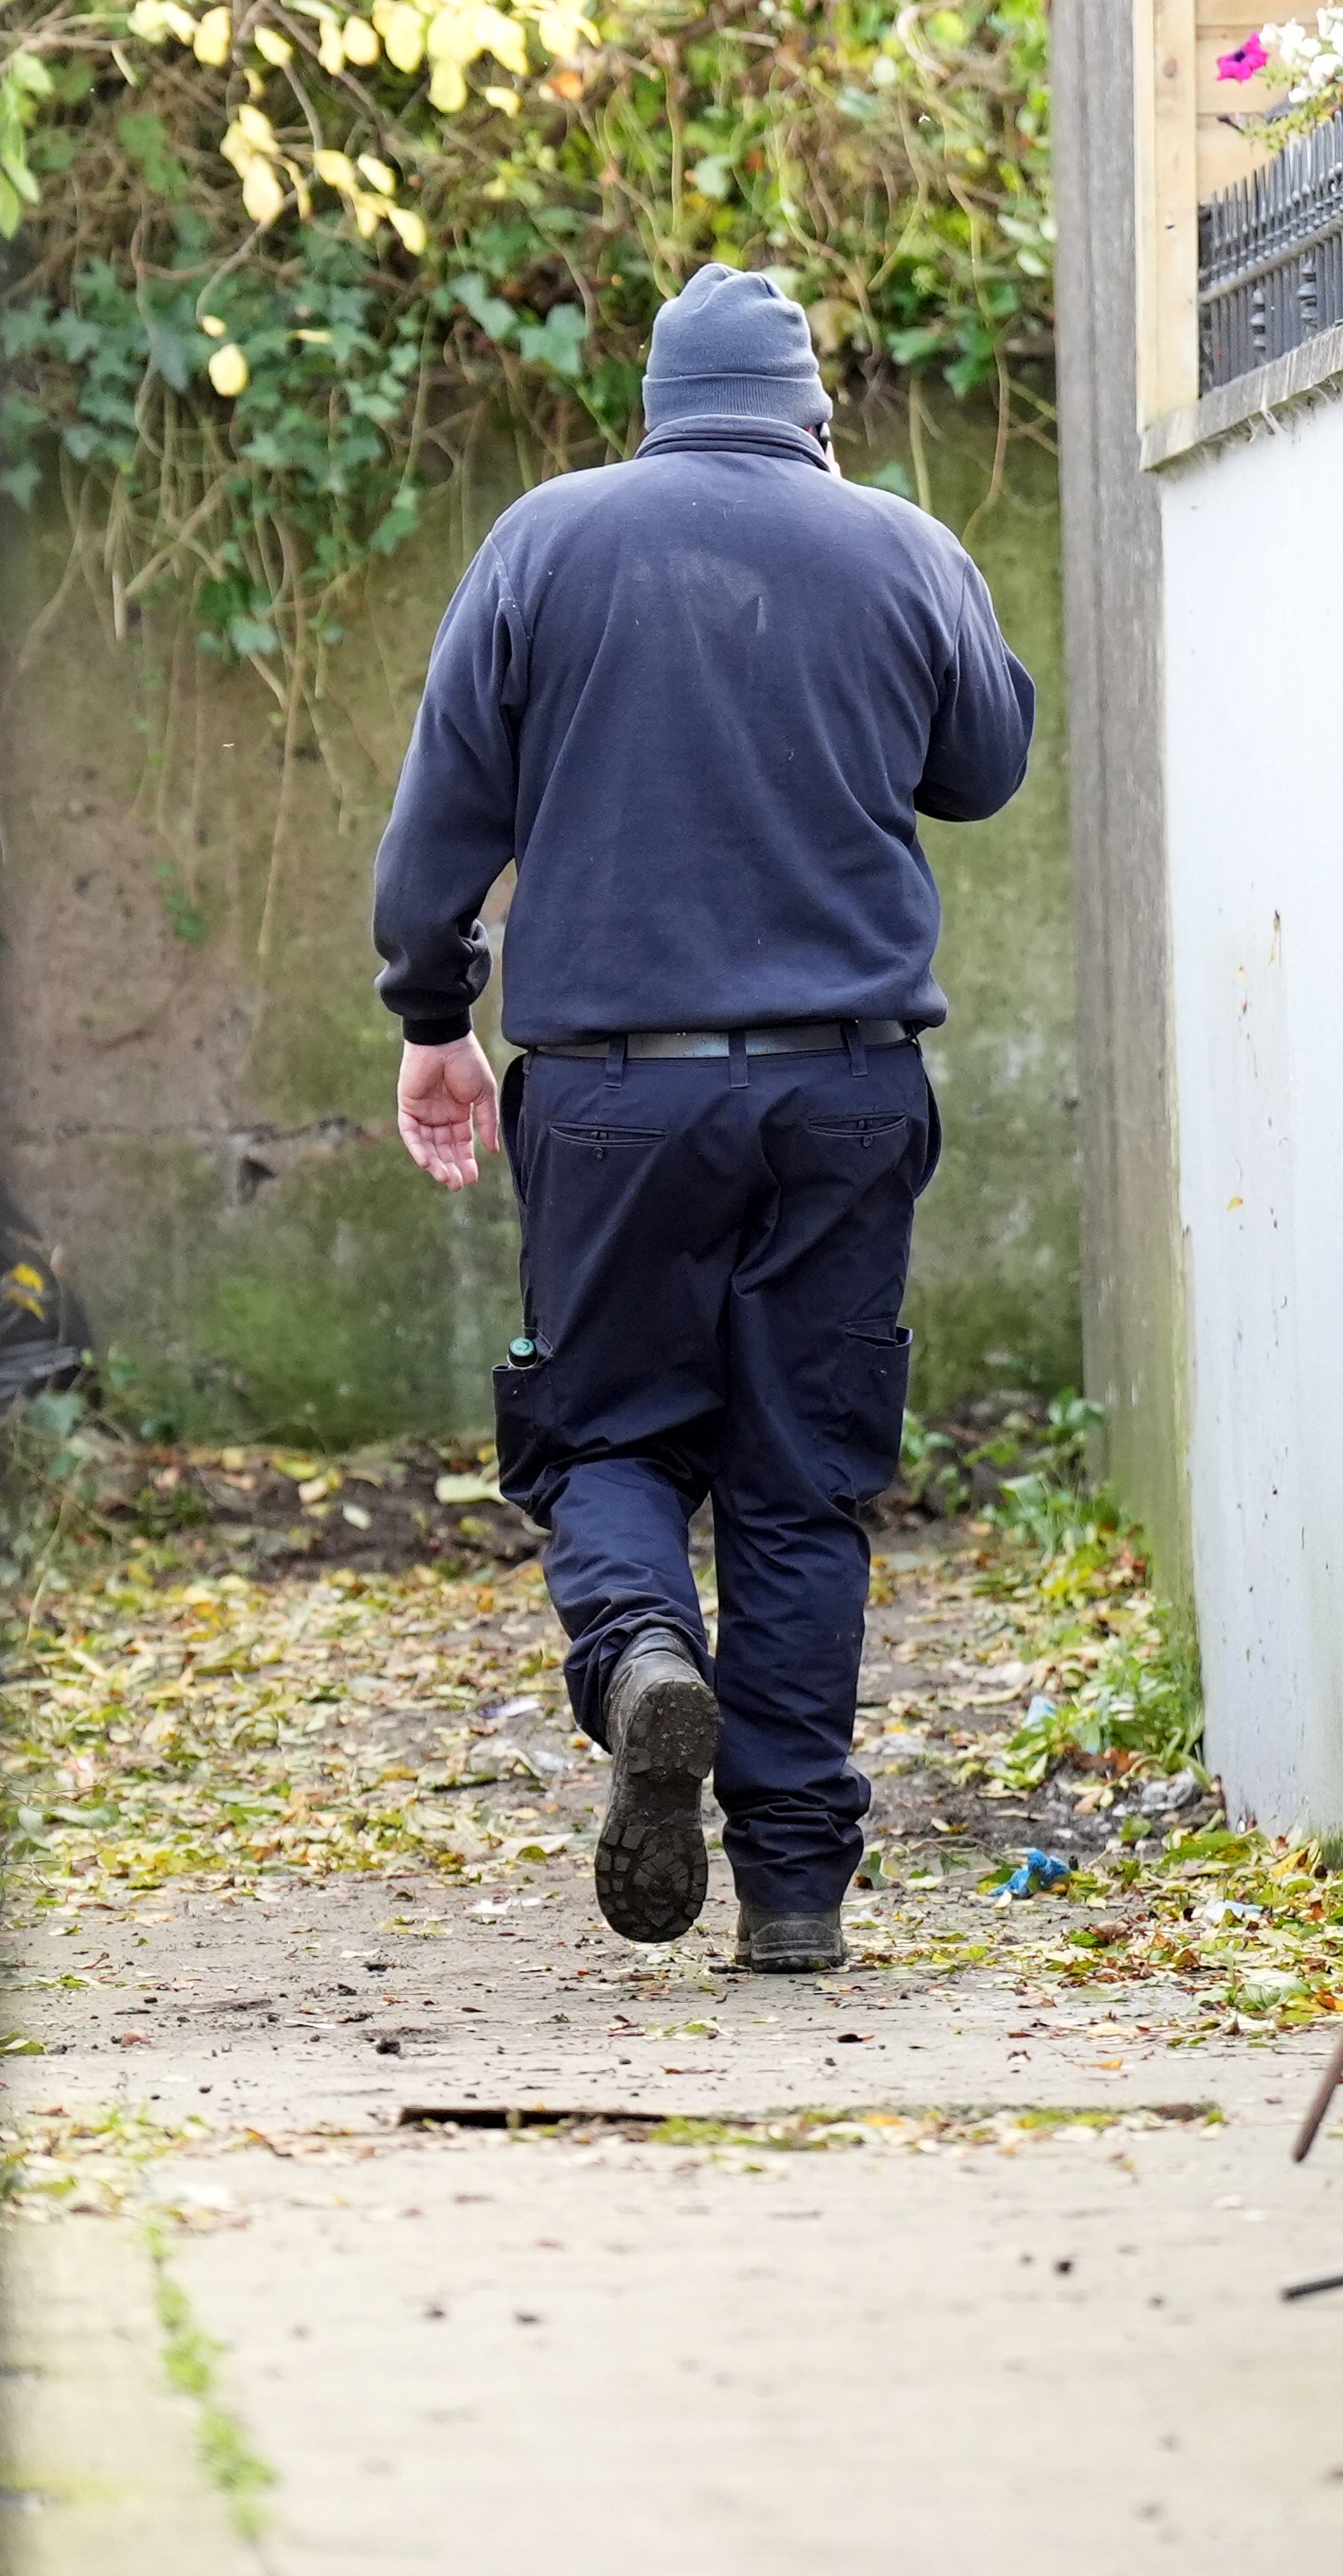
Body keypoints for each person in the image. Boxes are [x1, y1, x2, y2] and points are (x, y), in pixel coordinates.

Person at [369, 264, 1037, 1973]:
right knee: (803, 1486)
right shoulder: (900, 544)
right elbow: (987, 762)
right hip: (844, 1086)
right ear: (814, 411)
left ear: (654, 406)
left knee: (608, 1438)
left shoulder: (545, 541)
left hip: (610, 1095)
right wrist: (894, 573)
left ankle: (646, 1656)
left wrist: (435, 1017)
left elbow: (445, 811)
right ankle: (797, 1895)